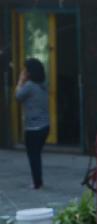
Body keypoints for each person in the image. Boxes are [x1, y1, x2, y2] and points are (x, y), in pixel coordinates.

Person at [15, 58, 50, 190]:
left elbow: (18, 96)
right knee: (36, 155)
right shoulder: (43, 84)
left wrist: (20, 81)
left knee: (33, 156)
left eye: (25, 69)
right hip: (45, 126)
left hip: (33, 128)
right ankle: (38, 181)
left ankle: (37, 183)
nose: (23, 72)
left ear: (29, 72)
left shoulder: (29, 86)